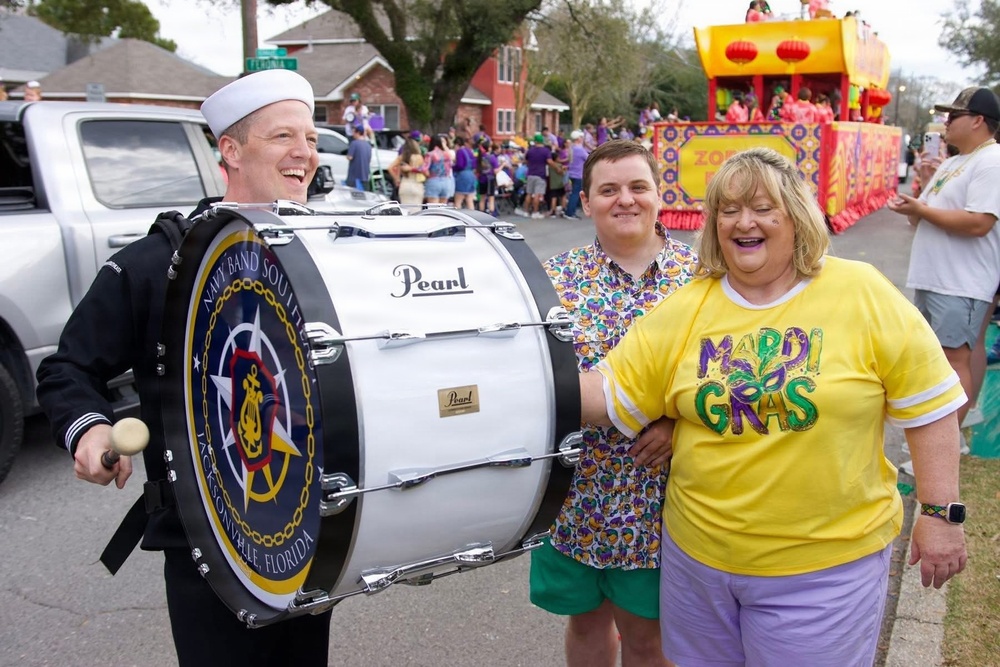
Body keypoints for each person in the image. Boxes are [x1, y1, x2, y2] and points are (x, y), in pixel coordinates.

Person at [580, 147, 968, 666]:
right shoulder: (686, 306)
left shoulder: (859, 292)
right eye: (729, 209)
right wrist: (496, 388)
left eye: (764, 208)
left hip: (824, 570)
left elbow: (931, 405)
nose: (745, 222)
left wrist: (942, 514)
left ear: (797, 216)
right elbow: (603, 394)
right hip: (699, 567)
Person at [34, 69, 334, 666]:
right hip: (207, 537)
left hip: (302, 532)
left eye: (310, 137)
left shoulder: (324, 253)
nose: (305, 152)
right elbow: (67, 369)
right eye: (282, 137)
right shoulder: (160, 262)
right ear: (230, 148)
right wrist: (89, 429)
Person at [531, 140, 697, 667]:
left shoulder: (701, 280)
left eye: (637, 187)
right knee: (585, 621)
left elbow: (725, 375)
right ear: (586, 202)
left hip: (660, 496)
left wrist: (679, 424)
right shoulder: (551, 280)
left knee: (649, 636)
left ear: (658, 196)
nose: (624, 200)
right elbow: (532, 374)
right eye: (608, 190)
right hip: (577, 492)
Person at [887, 86, 1000, 451]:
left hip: (962, 281)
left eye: (954, 116)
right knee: (934, 359)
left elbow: (979, 222)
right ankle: (937, 438)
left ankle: (945, 448)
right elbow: (921, 219)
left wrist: (920, 209)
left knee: (955, 359)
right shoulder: (953, 162)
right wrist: (917, 195)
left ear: (979, 121)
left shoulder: (992, 160)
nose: (945, 123)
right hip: (935, 277)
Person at [391, 136, 427, 207]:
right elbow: (424, 171)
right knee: (417, 209)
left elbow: (390, 167)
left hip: (405, 184)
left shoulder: (402, 157)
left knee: (405, 210)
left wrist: (397, 179)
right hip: (417, 184)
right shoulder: (419, 157)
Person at [524, 133, 553, 219]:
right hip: (540, 175)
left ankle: (526, 211)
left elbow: (526, 160)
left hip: (530, 174)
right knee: (537, 194)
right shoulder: (545, 151)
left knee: (529, 193)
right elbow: (549, 161)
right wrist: (557, 168)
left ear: (535, 141)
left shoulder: (530, 150)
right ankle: (535, 212)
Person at [564, 130, 590, 220]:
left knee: (574, 193)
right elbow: (589, 159)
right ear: (578, 139)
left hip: (572, 173)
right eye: (582, 137)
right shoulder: (580, 149)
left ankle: (572, 210)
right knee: (575, 194)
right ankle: (570, 212)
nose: (583, 139)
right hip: (578, 174)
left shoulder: (572, 148)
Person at [424, 134, 454, 205]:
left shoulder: (430, 154)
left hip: (434, 180)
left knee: (433, 208)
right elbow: (452, 159)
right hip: (446, 181)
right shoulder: (447, 154)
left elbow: (424, 168)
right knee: (443, 208)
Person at [452, 136, 477, 209]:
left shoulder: (459, 151)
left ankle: (457, 218)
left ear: (457, 144)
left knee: (458, 200)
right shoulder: (469, 150)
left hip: (463, 176)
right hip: (471, 175)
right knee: (469, 199)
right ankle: (472, 217)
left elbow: (460, 165)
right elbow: (474, 164)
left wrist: (452, 167)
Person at [345, 122, 372, 191]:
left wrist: (346, 156)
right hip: (365, 175)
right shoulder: (368, 145)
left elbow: (350, 157)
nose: (353, 134)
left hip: (354, 177)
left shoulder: (354, 143)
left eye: (354, 132)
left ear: (358, 132)